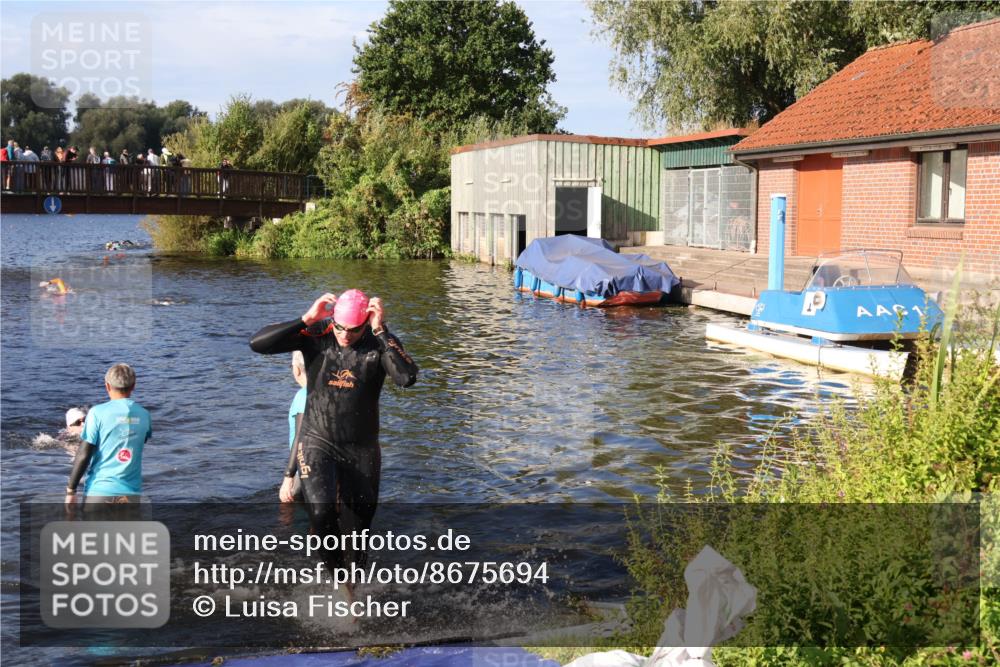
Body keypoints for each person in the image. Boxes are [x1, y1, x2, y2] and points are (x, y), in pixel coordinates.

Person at [249, 289, 417, 574]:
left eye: (353, 329)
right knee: (321, 511)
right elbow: (258, 344)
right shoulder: (317, 333)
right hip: (317, 440)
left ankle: (355, 585)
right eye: (339, 327)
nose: (344, 334)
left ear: (366, 321)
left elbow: (406, 377)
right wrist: (305, 318)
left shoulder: (376, 342)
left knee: (358, 534)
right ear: (333, 320)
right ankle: (341, 583)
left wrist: (381, 330)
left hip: (360, 448)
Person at [65, 363, 152, 504]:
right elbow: (138, 441)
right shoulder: (145, 415)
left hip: (99, 492)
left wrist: (71, 490)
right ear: (134, 386)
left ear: (107, 386)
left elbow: (83, 454)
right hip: (131, 496)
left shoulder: (96, 413)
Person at [283, 350, 308, 502]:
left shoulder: (303, 396)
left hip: (305, 468)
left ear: (296, 369)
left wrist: (289, 477)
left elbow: (300, 437)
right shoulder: (327, 392)